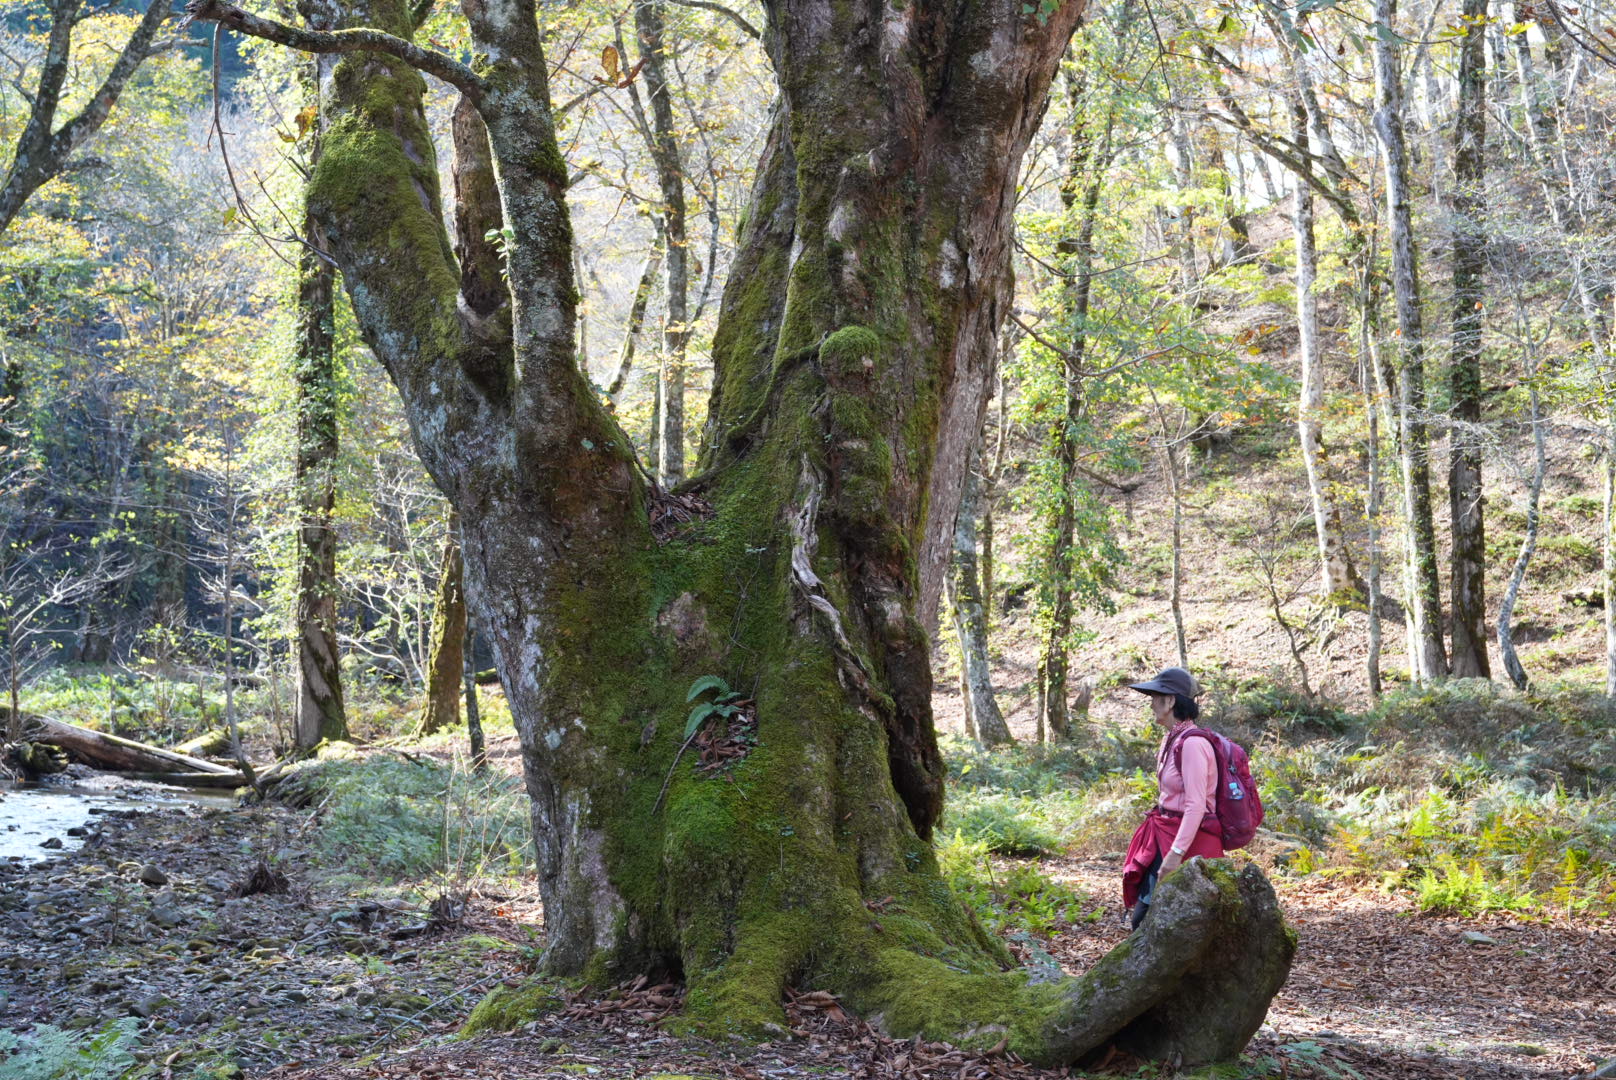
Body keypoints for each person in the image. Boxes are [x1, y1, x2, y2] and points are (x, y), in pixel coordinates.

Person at [1121, 665, 1224, 930]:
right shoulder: (1172, 739)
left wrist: (1175, 855)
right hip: (1166, 835)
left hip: (1191, 844)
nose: (1152, 704)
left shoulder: (1192, 744)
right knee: (1145, 920)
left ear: (1171, 701)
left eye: (1156, 698)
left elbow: (1196, 805)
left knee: (1182, 926)